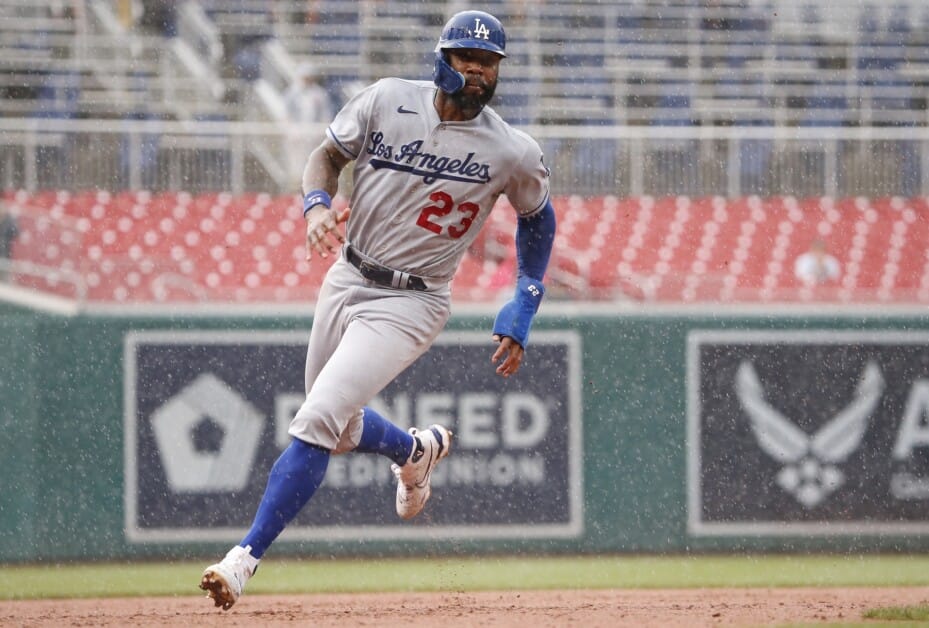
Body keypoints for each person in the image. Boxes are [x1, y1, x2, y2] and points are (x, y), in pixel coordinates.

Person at [200, 9, 556, 611]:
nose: (477, 70)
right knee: (335, 431)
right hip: (348, 274)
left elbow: (538, 221)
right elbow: (326, 157)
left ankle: (243, 560)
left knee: (315, 422)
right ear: (442, 59)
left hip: (413, 300)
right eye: (466, 57)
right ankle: (413, 451)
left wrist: (524, 303)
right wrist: (316, 206)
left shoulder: (510, 150)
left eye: (489, 62)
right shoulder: (387, 100)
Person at [283, 62, 335, 183]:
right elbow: (286, 114)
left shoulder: (319, 94)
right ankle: (296, 185)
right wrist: (291, 130)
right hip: (297, 134)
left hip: (314, 134)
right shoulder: (292, 93)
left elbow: (325, 114)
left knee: (314, 162)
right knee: (296, 164)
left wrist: (322, 131)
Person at [0, 202, 18, 281]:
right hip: (4, 253)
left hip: (4, 254)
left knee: (4, 278)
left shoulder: (9, 221)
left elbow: (16, 232)